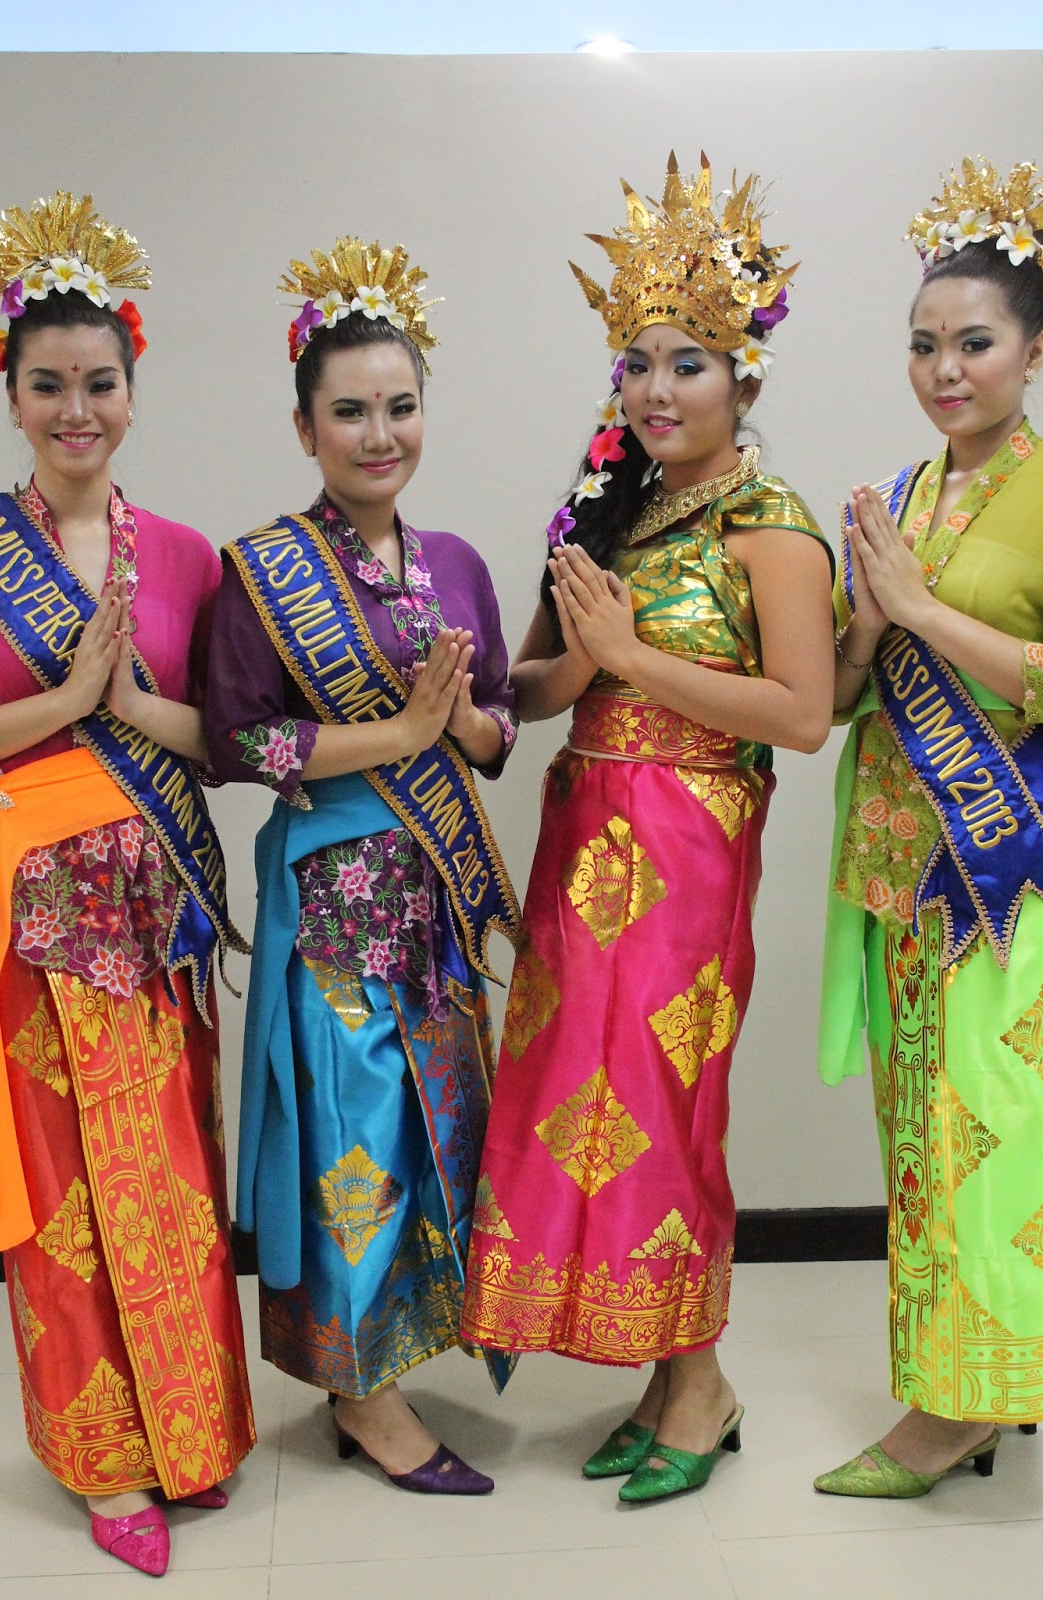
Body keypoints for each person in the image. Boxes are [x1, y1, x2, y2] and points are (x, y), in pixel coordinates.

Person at [459, 153, 834, 1505]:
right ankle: (667, 1379)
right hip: (581, 841)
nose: (657, 390)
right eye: (637, 363)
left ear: (743, 378)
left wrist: (632, 657)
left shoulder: (770, 527)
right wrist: (475, 683)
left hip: (687, 850)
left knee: (665, 1112)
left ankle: (701, 1381)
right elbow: (544, 685)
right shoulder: (608, 508)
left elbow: (800, 715)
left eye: (689, 363)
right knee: (580, 1108)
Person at [205, 236, 519, 1496]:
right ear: (305, 427)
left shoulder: (459, 565)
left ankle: (397, 1355)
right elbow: (237, 738)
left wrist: (464, 724)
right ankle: (361, 1394)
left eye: (399, 406)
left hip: (433, 899)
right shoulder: (262, 573)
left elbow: (496, 724)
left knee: (438, 1131)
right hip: (336, 901)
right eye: (349, 411)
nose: (377, 434)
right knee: (354, 1141)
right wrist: (393, 735)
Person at [0, 193, 255, 1577]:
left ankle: (189, 1432)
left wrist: (130, 706)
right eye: (49, 384)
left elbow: (228, 742)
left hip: (159, 909)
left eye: (99, 382)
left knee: (173, 1180)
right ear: (10, 394)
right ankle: (102, 1459)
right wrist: (66, 703)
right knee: (70, 1201)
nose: (75, 409)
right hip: (31, 915)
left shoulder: (190, 557)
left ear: (133, 393)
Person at [815, 157, 1043, 1497]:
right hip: (900, 864)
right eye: (921, 344)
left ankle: (961, 1406)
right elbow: (853, 693)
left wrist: (915, 609)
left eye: (972, 342)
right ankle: (961, 1385)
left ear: (1033, 351)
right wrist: (859, 625)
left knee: (990, 1133)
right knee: (917, 1139)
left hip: (1008, 870)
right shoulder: (899, 496)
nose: (942, 369)